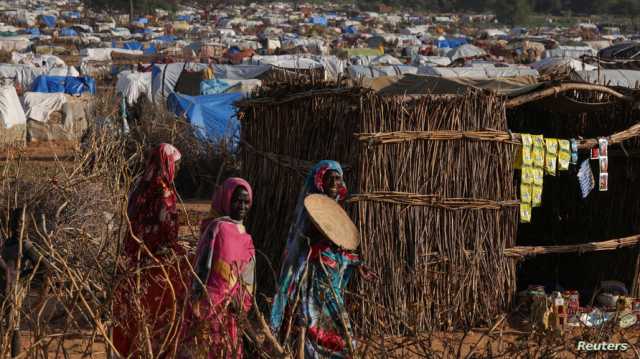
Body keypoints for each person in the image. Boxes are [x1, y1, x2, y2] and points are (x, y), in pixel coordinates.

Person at [270, 160, 372, 358]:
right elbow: (302, 247)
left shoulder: (338, 215)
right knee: (316, 329)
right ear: (320, 182)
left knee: (341, 334)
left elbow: (341, 250)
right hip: (314, 281)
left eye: (338, 178)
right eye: (329, 178)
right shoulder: (311, 212)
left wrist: (357, 264)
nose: (334, 182)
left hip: (332, 282)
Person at [113, 143, 188, 358]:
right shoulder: (165, 194)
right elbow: (169, 236)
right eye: (176, 165)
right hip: (156, 267)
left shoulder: (138, 189)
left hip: (131, 263)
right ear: (168, 165)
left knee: (133, 317)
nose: (178, 169)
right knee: (158, 318)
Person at [179, 177, 255, 359]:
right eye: (237, 201)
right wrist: (197, 302)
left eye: (247, 202)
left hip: (231, 311)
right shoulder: (217, 228)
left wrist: (242, 304)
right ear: (226, 199)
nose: (242, 207)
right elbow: (202, 266)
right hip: (208, 307)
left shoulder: (247, 237)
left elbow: (248, 276)